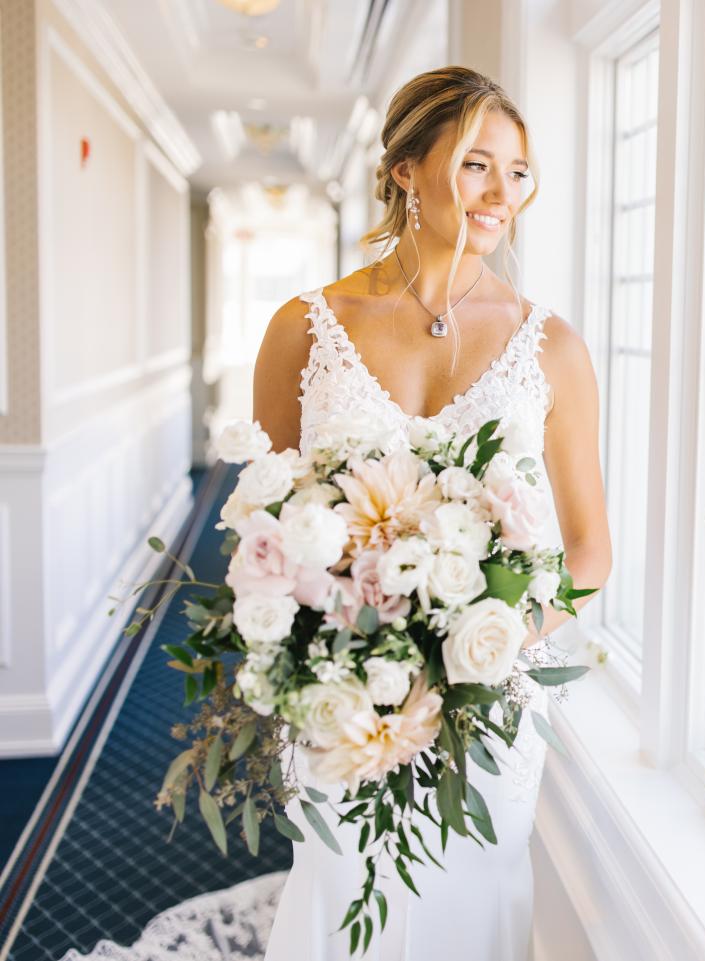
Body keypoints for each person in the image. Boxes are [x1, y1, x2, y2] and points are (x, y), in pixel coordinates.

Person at [248, 66, 611, 959]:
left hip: (490, 699)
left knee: (476, 889)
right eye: (477, 165)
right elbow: (266, 522)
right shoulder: (306, 326)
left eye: (518, 172)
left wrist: (489, 636)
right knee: (339, 889)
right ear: (407, 167)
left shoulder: (553, 347)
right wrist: (345, 637)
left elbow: (592, 549)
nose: (501, 195)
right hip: (340, 689)